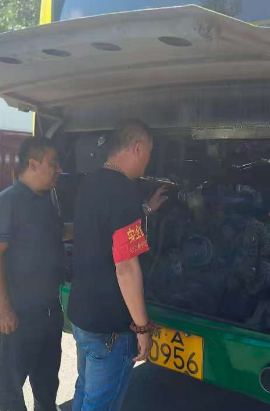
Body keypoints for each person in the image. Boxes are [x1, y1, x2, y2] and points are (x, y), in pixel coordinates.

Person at [68, 119, 169, 411]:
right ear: (137, 148)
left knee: (85, 391)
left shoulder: (90, 182)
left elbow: (104, 227)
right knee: (100, 405)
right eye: (148, 154)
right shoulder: (124, 190)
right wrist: (142, 327)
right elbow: (126, 267)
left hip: (82, 315)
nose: (148, 162)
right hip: (109, 326)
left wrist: (146, 209)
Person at [0, 138, 69, 411]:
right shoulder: (7, 202)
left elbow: (59, 233)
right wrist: (4, 309)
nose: (59, 170)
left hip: (49, 312)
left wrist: (96, 224)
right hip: (18, 314)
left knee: (47, 382)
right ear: (33, 164)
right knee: (11, 386)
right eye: (53, 164)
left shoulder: (47, 200)